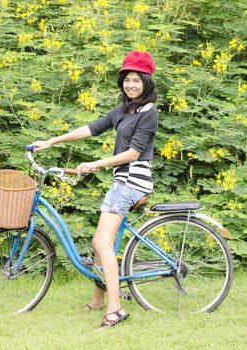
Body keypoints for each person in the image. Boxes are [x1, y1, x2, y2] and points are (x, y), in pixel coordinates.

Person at [32, 50, 158, 328]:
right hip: (120, 182)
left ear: (147, 83)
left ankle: (115, 309)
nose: (131, 85)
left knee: (103, 244)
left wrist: (97, 163)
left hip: (131, 183)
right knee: (98, 244)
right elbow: (91, 128)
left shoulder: (149, 113)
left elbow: (133, 153)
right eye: (127, 79)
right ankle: (99, 299)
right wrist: (52, 141)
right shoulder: (125, 110)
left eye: (137, 80)